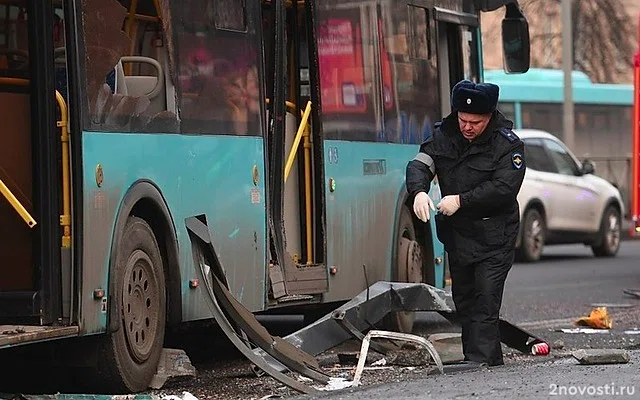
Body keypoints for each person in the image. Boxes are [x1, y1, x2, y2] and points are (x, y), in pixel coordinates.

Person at [405, 79, 526, 366]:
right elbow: (420, 164)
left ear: (489, 117)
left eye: (475, 121)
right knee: (465, 299)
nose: (467, 127)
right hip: (459, 236)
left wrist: (461, 200)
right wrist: (418, 191)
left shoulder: (507, 145)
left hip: (495, 236)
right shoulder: (444, 135)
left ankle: (481, 359)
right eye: (463, 119)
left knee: (486, 298)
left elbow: (504, 188)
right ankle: (479, 358)